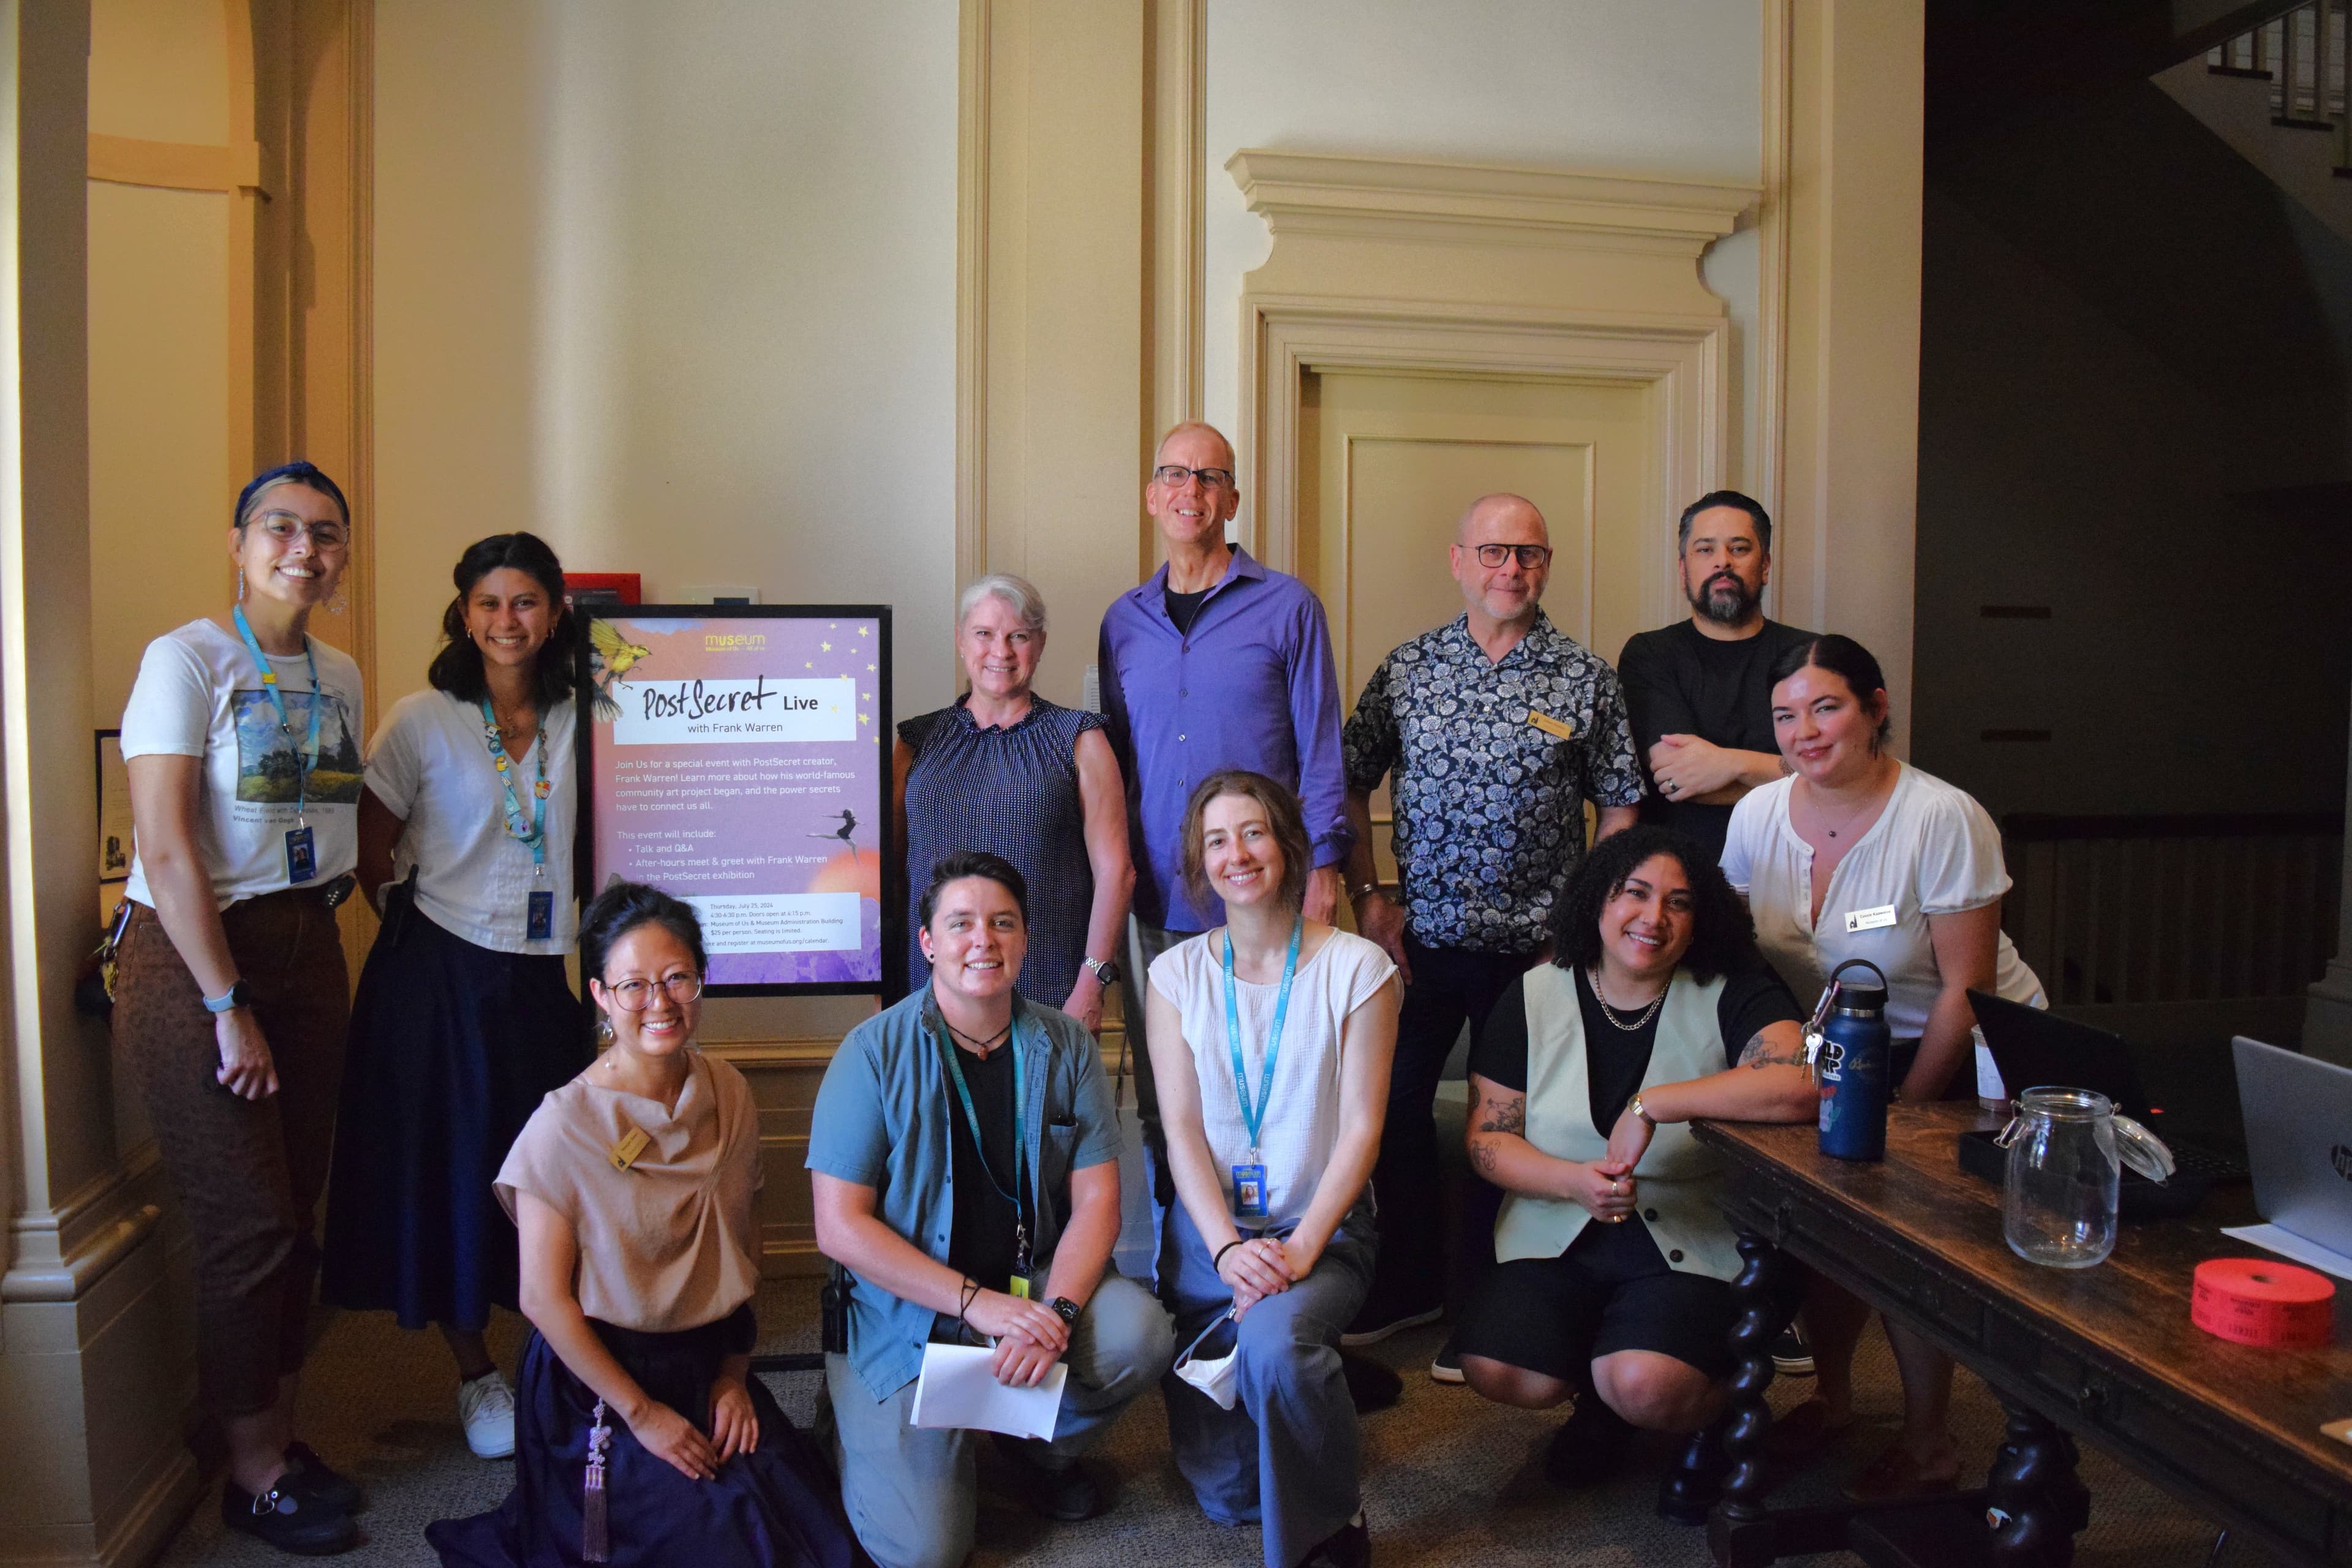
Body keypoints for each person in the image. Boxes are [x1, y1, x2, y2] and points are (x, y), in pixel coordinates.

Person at [427, 883, 856, 1568]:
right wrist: (643, 1414)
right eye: (634, 985)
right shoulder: (562, 1125)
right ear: (600, 994)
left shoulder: (730, 1092)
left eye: (677, 977)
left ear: (701, 979)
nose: (660, 1002)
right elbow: (542, 1298)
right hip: (601, 1384)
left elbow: (745, 1246)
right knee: (725, 1536)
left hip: (706, 1360)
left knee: (815, 1535)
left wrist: (734, 1373)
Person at [1721, 633, 2046, 1499]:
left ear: (1875, 708)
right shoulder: (1757, 816)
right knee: (1825, 1235)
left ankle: (1931, 1443)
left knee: (1908, 1243)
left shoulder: (1941, 816)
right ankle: (1832, 1400)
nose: (1805, 732)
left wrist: (1902, 1107)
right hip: (1837, 1044)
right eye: (1786, 716)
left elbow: (1965, 990)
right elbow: (1742, 957)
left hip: (1962, 1051)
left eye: (1826, 707)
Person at [112, 461, 368, 1554]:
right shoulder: (186, 660)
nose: (302, 549)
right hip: (195, 952)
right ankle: (250, 1471)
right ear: (237, 543)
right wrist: (226, 1003)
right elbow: (167, 847)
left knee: (297, 1206)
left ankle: (280, 1431)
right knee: (246, 1225)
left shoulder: (344, 673)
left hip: (308, 939)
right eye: (280, 527)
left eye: (324, 533)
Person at [1338, 492, 1642, 1368]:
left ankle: (1484, 1302)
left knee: (1503, 1130)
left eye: (1531, 554)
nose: (1513, 568)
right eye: (1495, 551)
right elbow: (1350, 780)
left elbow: (1620, 808)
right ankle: (1412, 1281)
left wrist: (1579, 926)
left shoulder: (1585, 679)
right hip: (1421, 940)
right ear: (1459, 559)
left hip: (1539, 955)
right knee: (1391, 1109)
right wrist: (1370, 895)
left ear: (1547, 565)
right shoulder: (1409, 669)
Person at [809, 851, 1175, 1568]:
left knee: (1141, 1334)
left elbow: (1098, 1198)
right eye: (962, 924)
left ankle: (1023, 1445)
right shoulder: (871, 1051)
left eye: (1003, 922)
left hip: (1023, 1285)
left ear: (1026, 939)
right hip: (903, 1313)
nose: (984, 940)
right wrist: (977, 1304)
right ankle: (854, 1421)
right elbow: (840, 1226)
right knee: (927, 1553)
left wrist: (1058, 1316)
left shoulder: (1065, 1044)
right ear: (928, 942)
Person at [1452, 826, 1814, 1520]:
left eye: (1678, 903)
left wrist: (1656, 1103)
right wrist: (1572, 1181)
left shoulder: (1735, 986)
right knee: (1500, 1367)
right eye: (1636, 894)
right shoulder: (1532, 995)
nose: (1654, 918)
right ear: (1598, 901)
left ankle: (1715, 1416)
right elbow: (1488, 1139)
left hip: (1695, 1234)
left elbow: (1799, 1085)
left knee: (1646, 1381)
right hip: (1559, 1223)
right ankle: (1603, 1407)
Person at [321, 533, 589, 1460]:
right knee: (455, 1170)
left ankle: (556, 1355)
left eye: (525, 602)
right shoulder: (422, 720)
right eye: (489, 603)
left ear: (555, 612)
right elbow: (370, 847)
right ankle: (477, 1375)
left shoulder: (587, 716)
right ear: (463, 614)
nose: (507, 621)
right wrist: (426, 929)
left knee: (553, 1170)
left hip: (542, 970)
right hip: (437, 974)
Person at [1147, 771, 1401, 1568]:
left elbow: (1362, 1130)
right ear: (1199, 860)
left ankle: (1332, 1526)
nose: (1237, 854)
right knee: (1230, 1497)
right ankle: (1307, 1386)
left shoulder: (1359, 969)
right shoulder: (1174, 976)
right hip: (1211, 1237)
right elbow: (1181, 1128)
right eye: (1217, 840)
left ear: (1288, 846)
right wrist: (1226, 1249)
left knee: (1276, 1350)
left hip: (1317, 1227)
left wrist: (1296, 1251)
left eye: (1253, 832)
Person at [1099, 422, 1352, 1191]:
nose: (1192, 492)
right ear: (1151, 495)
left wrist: (1327, 867)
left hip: (1263, 890)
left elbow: (1321, 747)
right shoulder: (1123, 622)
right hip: (1160, 894)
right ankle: (1189, 1252)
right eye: (1175, 475)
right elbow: (1113, 763)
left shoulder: (1288, 607)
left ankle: (1276, 1252)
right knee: (1167, 1090)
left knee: (1269, 1087)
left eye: (1210, 477)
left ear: (1232, 498)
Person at [893, 573, 1133, 1032]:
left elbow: (1116, 872)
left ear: (1039, 645)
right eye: (984, 634)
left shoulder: (1080, 739)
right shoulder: (914, 742)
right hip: (930, 987)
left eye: (1018, 636)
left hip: (1050, 988)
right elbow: (888, 877)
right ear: (962, 641)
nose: (1000, 652)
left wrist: (1092, 982)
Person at [1616, 491, 1816, 864]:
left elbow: (1838, 772)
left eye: (1739, 549)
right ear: (1683, 570)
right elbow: (1677, 780)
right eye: (1705, 550)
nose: (1722, 562)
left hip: (1795, 870)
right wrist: (1793, 773)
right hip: (1680, 882)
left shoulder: (1812, 657)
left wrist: (1730, 764)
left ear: (1766, 565)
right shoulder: (1650, 654)